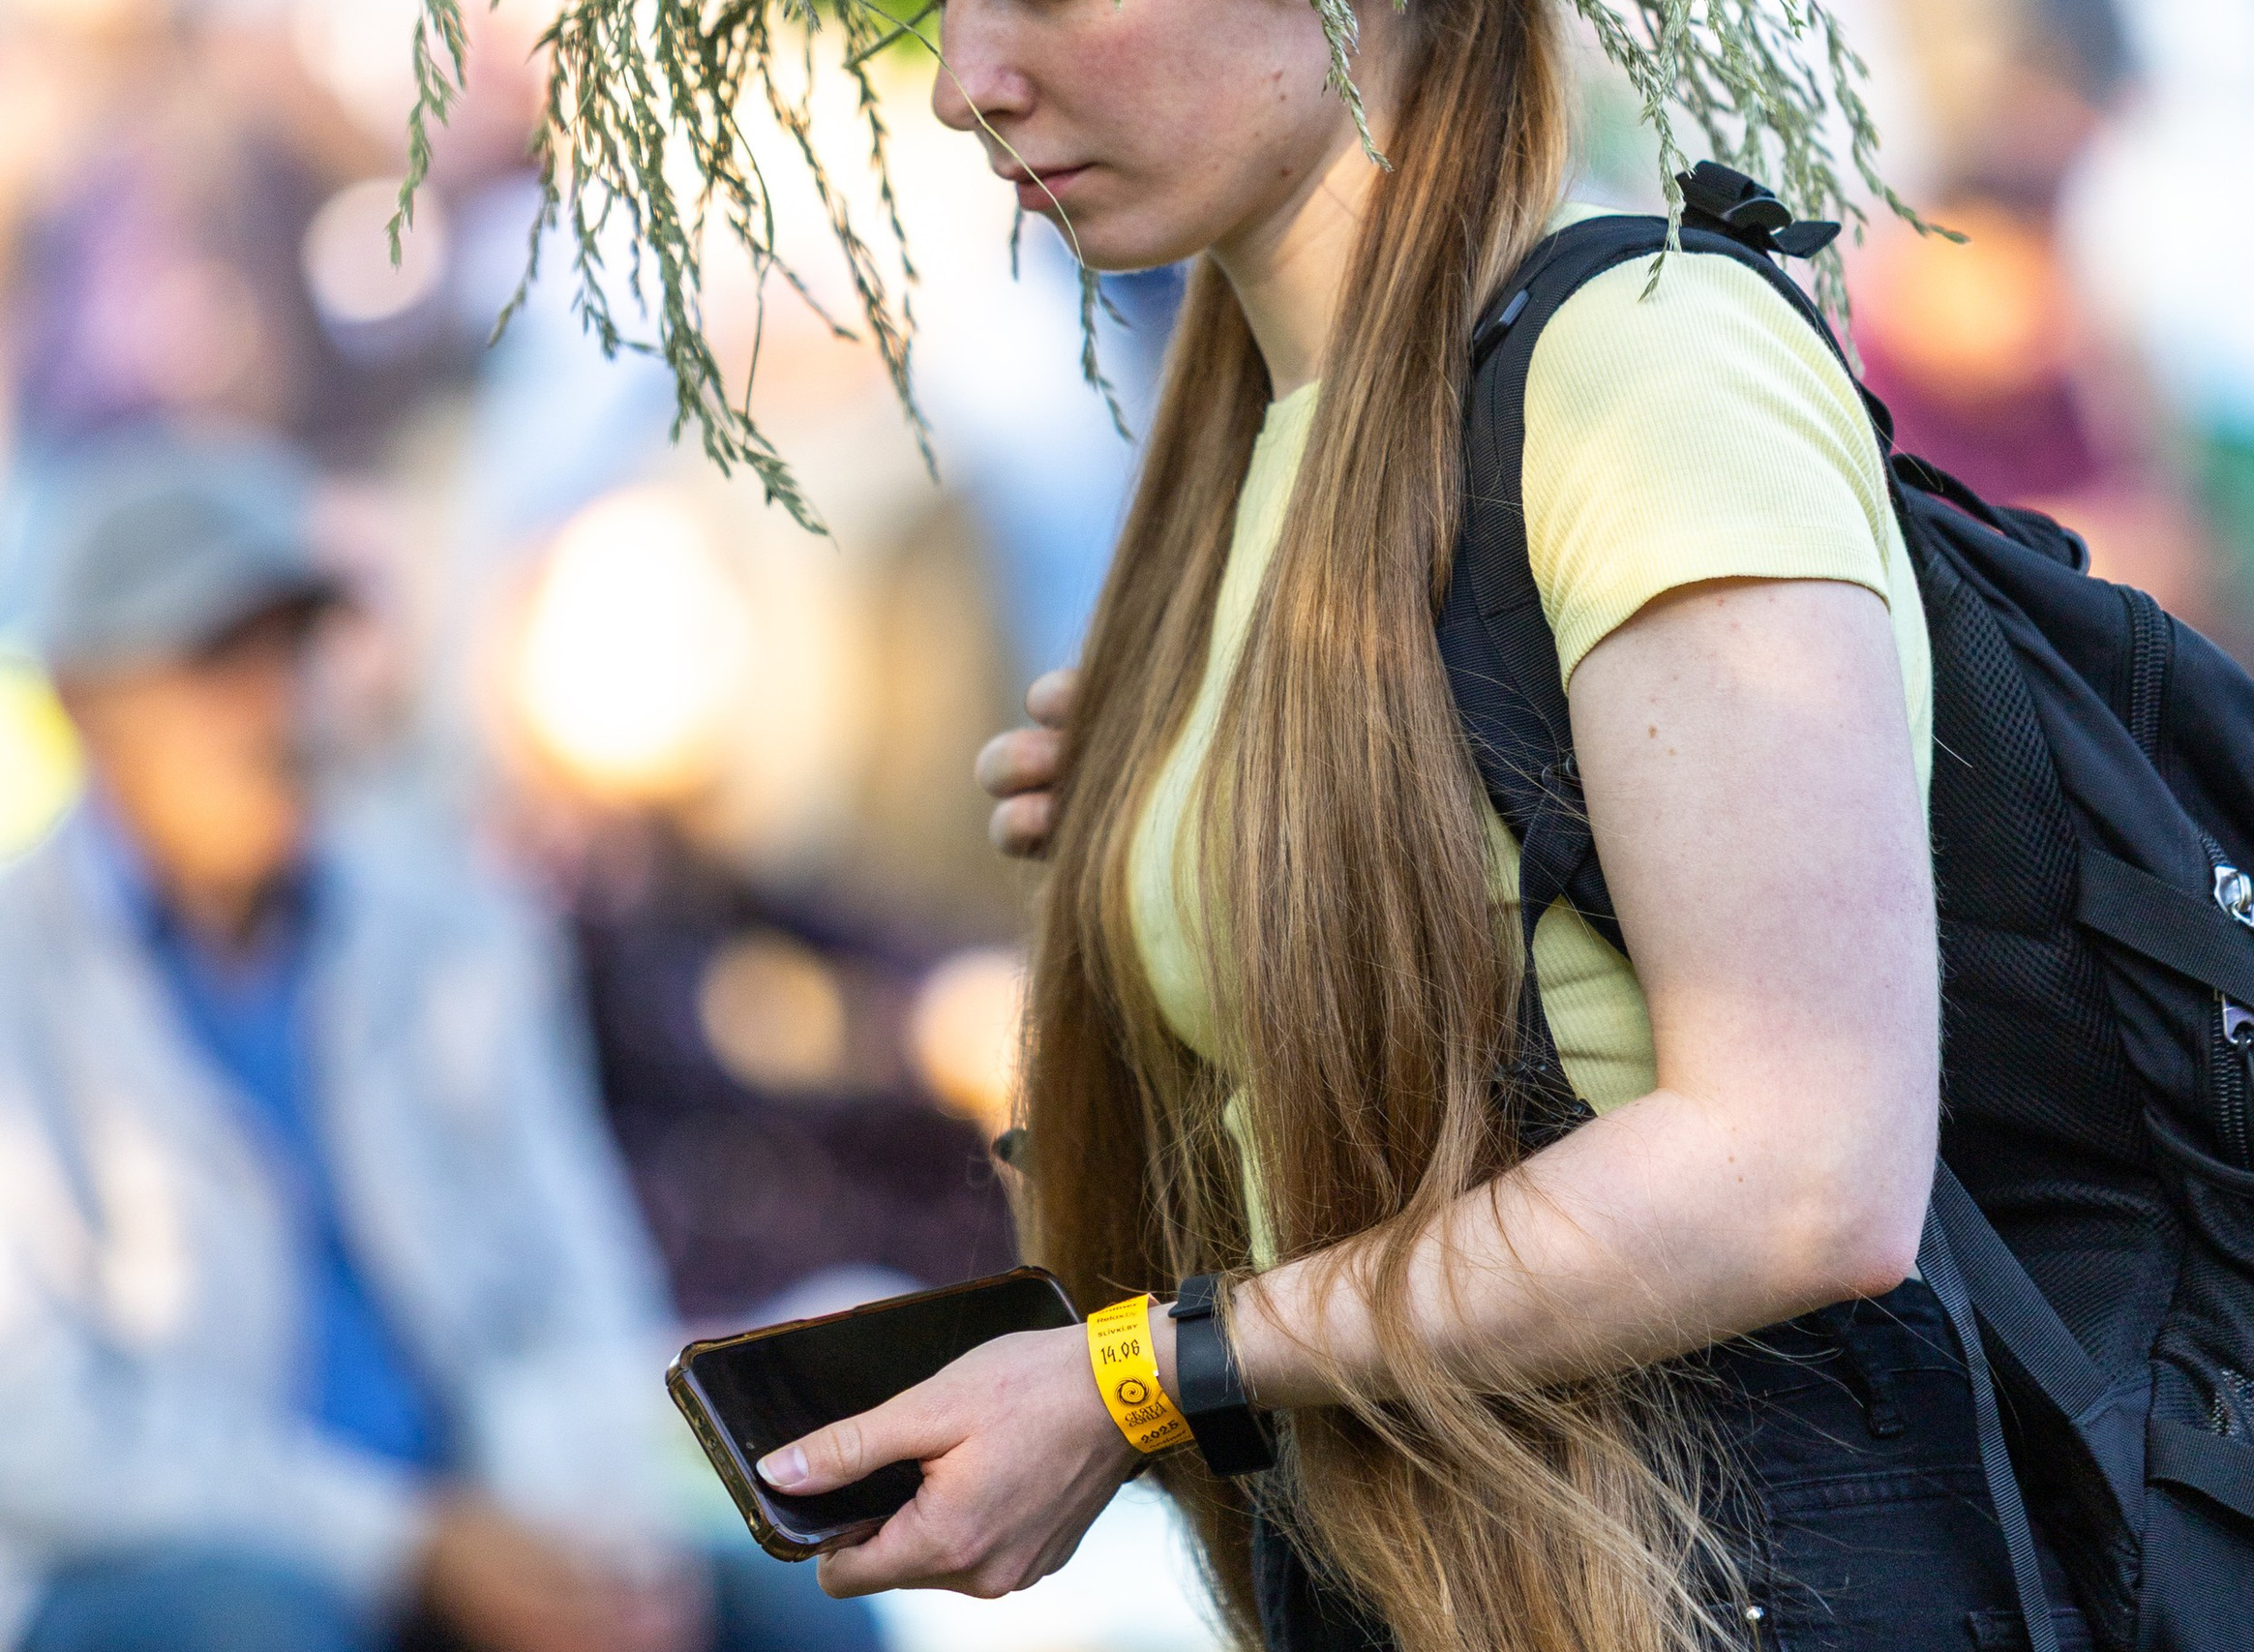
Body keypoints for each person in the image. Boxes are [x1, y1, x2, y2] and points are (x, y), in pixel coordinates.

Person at [730, 5, 2089, 1652]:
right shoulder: (1267, 428)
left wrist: (1144, 1381)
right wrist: (1196, 832)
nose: (965, 86)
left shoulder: (1641, 364)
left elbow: (1807, 1169)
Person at [0, 435, 884, 1652]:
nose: (277, 707)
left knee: (799, 1606)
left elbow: (579, 1284)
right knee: (262, 1629)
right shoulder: (20, 976)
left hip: (488, 1520)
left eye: (294, 649)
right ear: (84, 696)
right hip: (182, 1562)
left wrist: (600, 1545)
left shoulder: (451, 925)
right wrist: (407, 1546)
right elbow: (41, 1437)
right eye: (216, 661)